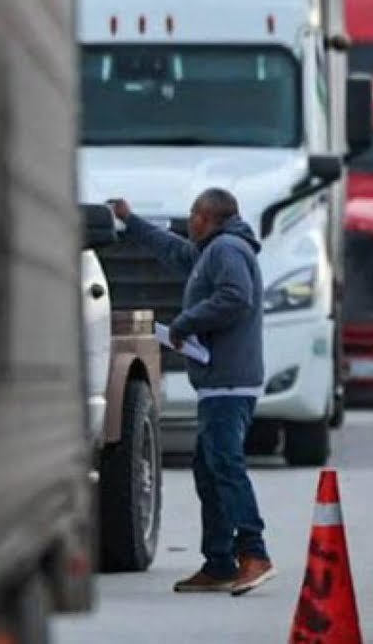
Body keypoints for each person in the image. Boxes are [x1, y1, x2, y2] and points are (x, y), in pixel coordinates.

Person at [109, 190, 274, 596]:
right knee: (209, 470)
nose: (188, 221)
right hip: (219, 380)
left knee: (226, 467)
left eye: (193, 215)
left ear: (207, 217)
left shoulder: (227, 250)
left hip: (229, 381)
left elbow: (236, 297)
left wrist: (185, 323)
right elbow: (171, 250)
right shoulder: (209, 251)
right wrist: (131, 221)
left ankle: (254, 553)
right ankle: (219, 563)